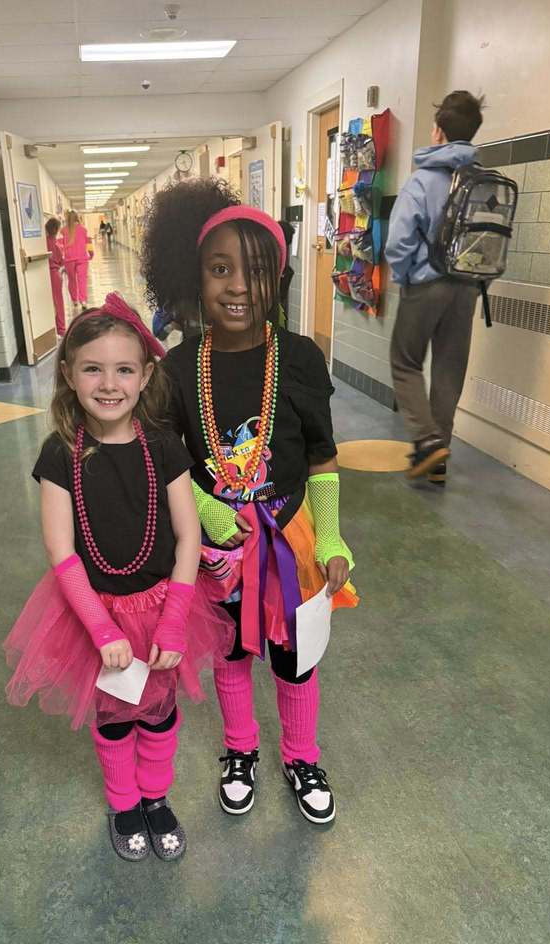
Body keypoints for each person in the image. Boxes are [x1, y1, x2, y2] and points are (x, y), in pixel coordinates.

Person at [141, 178, 358, 825]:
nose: (238, 286)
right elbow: (165, 457)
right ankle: (241, 751)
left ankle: (300, 755)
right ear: (193, 277)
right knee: (231, 655)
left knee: (295, 658)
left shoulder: (299, 359)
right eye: (219, 269)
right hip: (218, 552)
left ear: (278, 280)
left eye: (256, 271)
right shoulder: (179, 369)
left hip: (291, 541)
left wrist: (330, 537)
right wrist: (207, 512)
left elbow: (321, 455)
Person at [4, 292, 233, 862]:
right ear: (68, 375)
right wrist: (102, 631)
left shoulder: (164, 450)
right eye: (93, 369)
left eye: (124, 369)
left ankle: (156, 797)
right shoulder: (60, 455)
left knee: (158, 711)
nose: (109, 384)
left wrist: (176, 623)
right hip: (92, 613)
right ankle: (123, 801)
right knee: (111, 715)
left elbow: (188, 539)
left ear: (146, 374)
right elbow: (62, 552)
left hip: (164, 607)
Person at [386, 91, 485, 483]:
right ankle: (438, 460)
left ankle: (427, 442)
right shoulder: (479, 180)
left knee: (405, 361)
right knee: (449, 369)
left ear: (438, 131)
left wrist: (405, 274)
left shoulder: (423, 180)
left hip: (426, 284)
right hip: (467, 288)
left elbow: (399, 241)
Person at [61, 210, 91, 313]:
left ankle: (74, 300)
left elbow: (60, 245)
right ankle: (83, 301)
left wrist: (61, 259)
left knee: (72, 280)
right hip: (82, 259)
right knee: (82, 280)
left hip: (69, 259)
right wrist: (91, 254)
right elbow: (88, 242)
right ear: (77, 218)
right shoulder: (83, 230)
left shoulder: (63, 231)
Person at [45, 217, 66, 338]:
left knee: (48, 303)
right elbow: (61, 261)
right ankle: (61, 329)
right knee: (58, 302)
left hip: (45, 274)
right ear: (56, 229)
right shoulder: (55, 244)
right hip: (54, 274)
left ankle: (52, 328)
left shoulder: (42, 242)